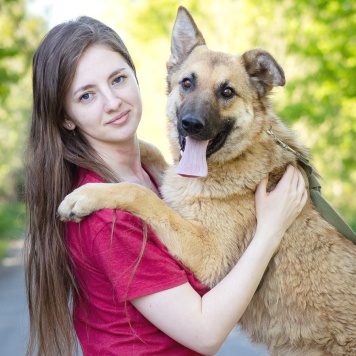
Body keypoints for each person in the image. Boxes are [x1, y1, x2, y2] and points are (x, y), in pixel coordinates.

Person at [24, 16, 307, 356]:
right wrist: (270, 229)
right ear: (65, 116)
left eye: (118, 79)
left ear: (136, 77)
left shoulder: (146, 170)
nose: (112, 102)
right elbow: (205, 331)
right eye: (87, 95)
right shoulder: (108, 217)